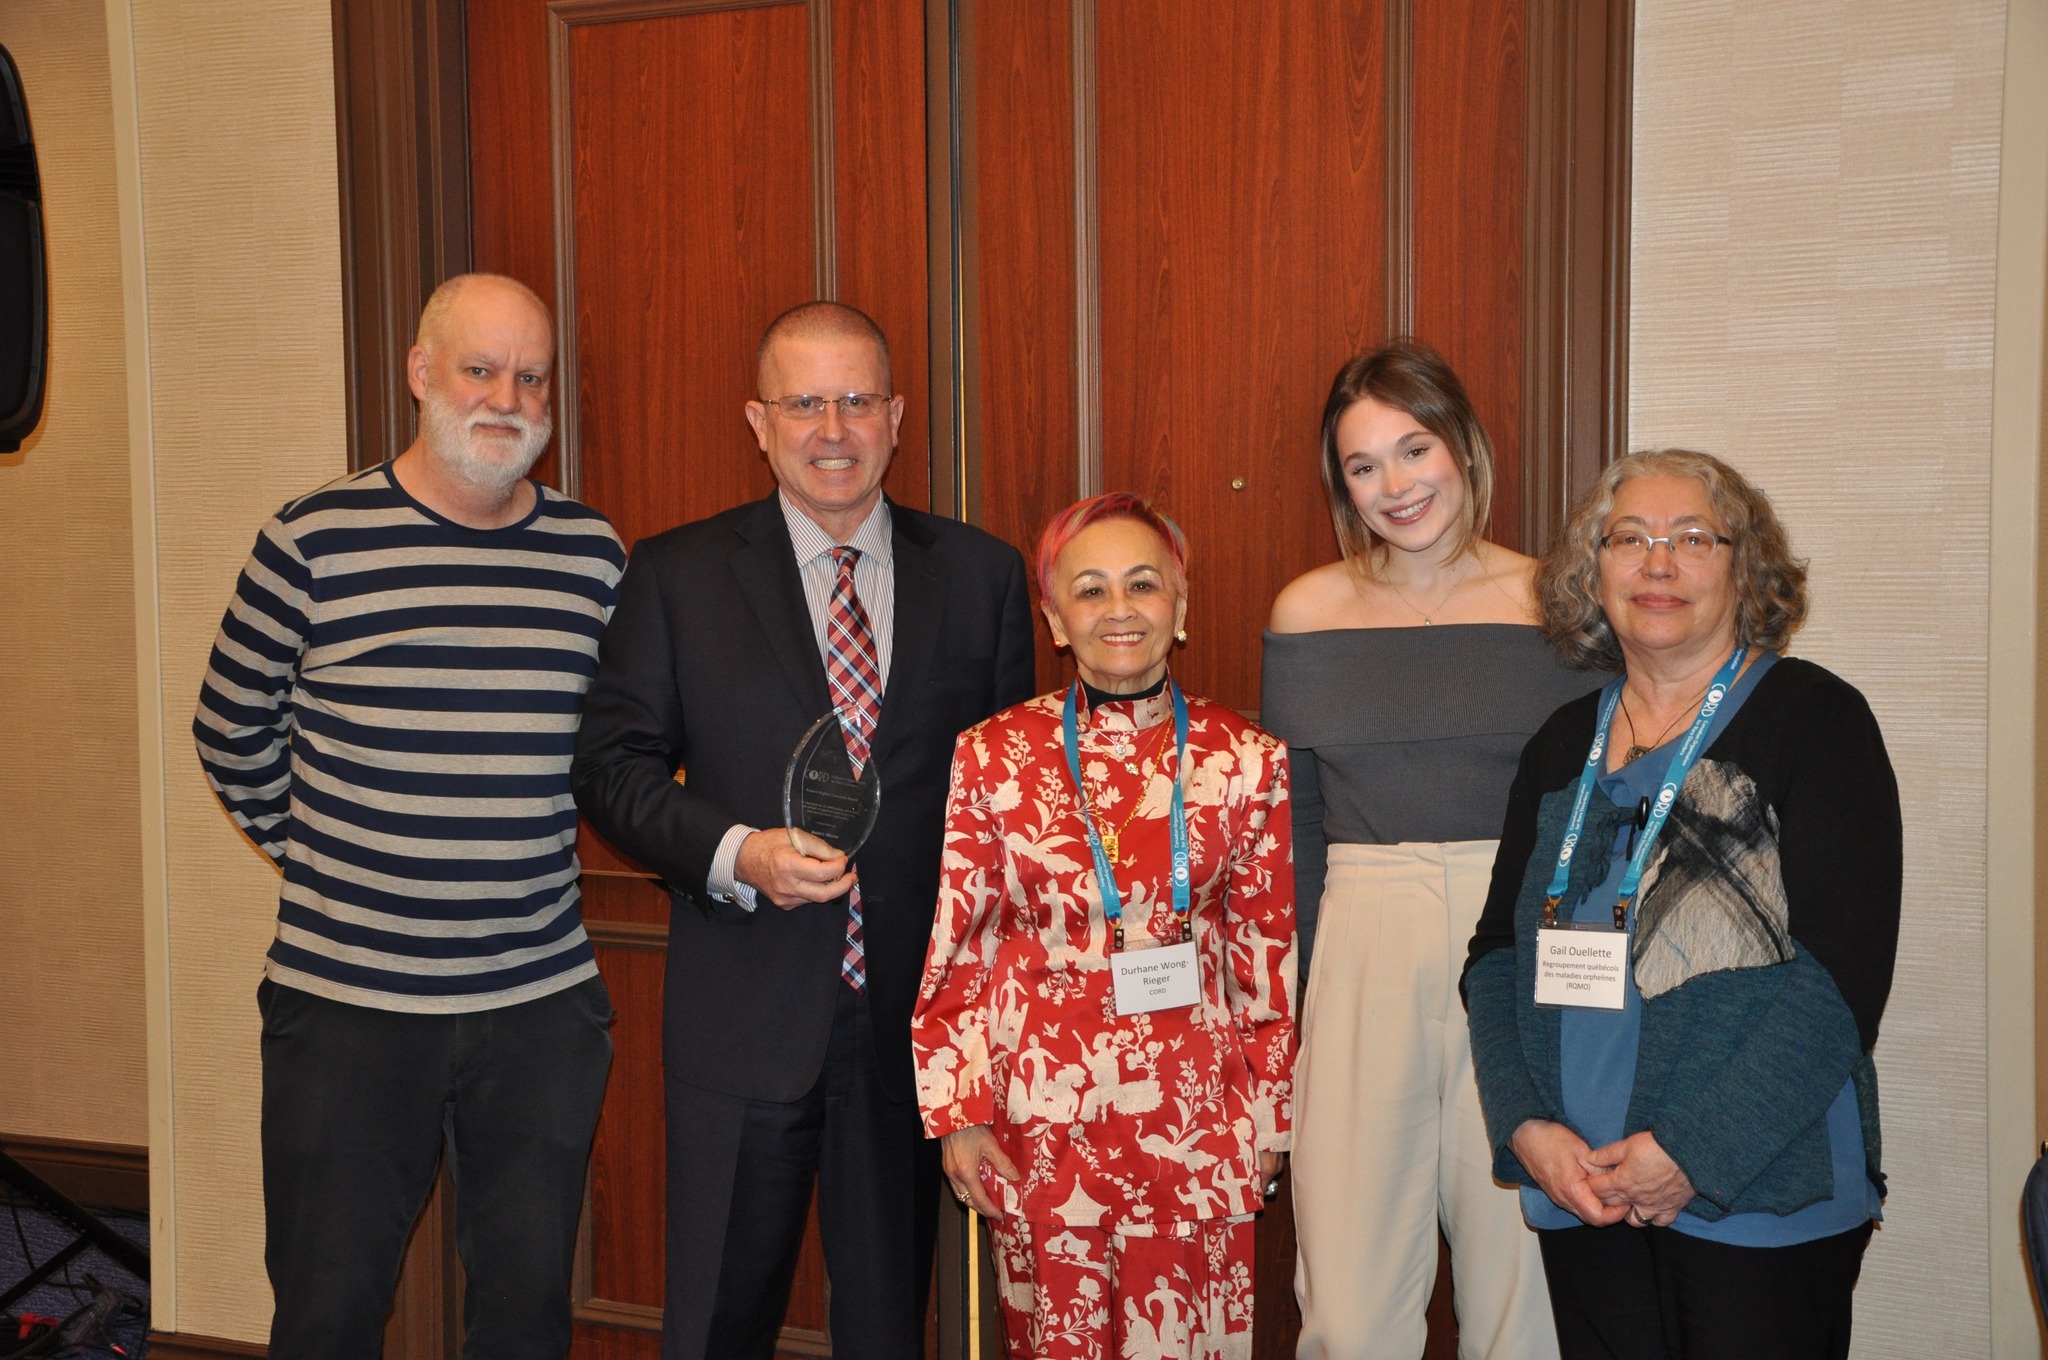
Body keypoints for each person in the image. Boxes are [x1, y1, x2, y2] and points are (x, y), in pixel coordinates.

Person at [570, 301, 1036, 1360]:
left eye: (857, 399)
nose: (833, 427)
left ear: (897, 415)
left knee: (887, 1331)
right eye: (804, 401)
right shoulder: (676, 575)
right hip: (744, 1017)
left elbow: (1002, 817)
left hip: (911, 1039)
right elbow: (608, 767)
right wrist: (739, 853)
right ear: (759, 419)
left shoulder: (980, 576)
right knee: (715, 1328)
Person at [193, 273, 626, 1359]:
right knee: (328, 1317)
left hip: (536, 1011)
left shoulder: (595, 558)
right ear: (420, 372)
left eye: (530, 377)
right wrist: (334, 858)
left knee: (526, 1321)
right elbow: (229, 729)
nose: (505, 398)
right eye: (479, 369)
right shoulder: (310, 538)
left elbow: (619, 748)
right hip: (345, 1013)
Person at [1463, 449, 1901, 1359]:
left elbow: (1842, 981)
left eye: (1693, 538)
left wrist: (1695, 1150)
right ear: (1594, 572)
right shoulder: (1558, 746)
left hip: (1755, 1192)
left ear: (1747, 569)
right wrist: (1523, 1128)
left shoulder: (1815, 721)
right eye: (1629, 539)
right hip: (1584, 1188)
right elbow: (1493, 957)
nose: (1658, 563)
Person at [1262, 340, 1588, 1359]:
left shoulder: (1557, 606)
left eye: (1413, 450)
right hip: (1360, 948)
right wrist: (1299, 999)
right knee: (1349, 1306)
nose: (1394, 486)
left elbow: (1590, 817)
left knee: (1519, 1293)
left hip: (1522, 954)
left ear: (1463, 446)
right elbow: (1297, 829)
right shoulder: (1305, 611)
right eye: (1363, 466)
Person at [914, 492, 1296, 1360]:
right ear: (1054, 616)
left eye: (1142, 585)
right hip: (1041, 1132)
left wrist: (1269, 1121)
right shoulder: (993, 754)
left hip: (1201, 1128)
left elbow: (1266, 955)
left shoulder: (1248, 760)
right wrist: (959, 1113)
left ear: (1181, 606)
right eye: (1089, 590)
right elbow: (961, 944)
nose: (1118, 610)